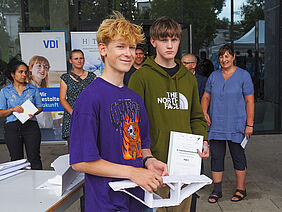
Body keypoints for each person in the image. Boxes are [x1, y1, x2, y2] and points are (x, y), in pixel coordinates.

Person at [69, 12, 168, 212]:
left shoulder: (135, 98)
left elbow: (141, 145)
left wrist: (149, 161)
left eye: (132, 47)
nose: (128, 53)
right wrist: (133, 172)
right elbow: (80, 162)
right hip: (107, 203)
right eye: (121, 46)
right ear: (103, 49)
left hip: (139, 199)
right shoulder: (90, 98)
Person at [128, 16, 209, 212]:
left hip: (184, 165)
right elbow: (131, 124)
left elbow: (196, 117)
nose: (170, 45)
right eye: (164, 40)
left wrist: (203, 141)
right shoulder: (141, 77)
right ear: (154, 42)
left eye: (174, 40)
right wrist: (143, 159)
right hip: (153, 164)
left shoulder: (188, 79)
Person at [201, 44, 254, 203]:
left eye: (227, 56)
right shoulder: (213, 76)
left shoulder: (244, 76)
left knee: (238, 156)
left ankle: (241, 189)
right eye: (221, 57)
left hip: (237, 124)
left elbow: (249, 101)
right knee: (216, 157)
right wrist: (204, 112)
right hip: (216, 124)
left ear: (233, 57)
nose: (224, 60)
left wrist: (249, 124)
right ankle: (217, 190)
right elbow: (206, 97)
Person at [0, 60, 43, 169]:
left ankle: (38, 183)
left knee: (34, 158)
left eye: (26, 72)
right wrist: (12, 109)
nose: (24, 75)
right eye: (21, 72)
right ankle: (19, 185)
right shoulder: (5, 91)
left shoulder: (33, 89)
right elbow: (1, 112)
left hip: (31, 126)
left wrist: (33, 112)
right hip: (12, 127)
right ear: (13, 74)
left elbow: (40, 107)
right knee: (16, 159)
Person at [60, 49, 95, 143]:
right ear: (71, 61)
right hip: (72, 116)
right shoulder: (65, 78)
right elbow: (62, 99)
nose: (79, 61)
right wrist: (74, 113)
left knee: (90, 146)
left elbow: (96, 96)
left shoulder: (92, 76)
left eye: (81, 58)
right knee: (73, 148)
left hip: (89, 115)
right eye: (76, 58)